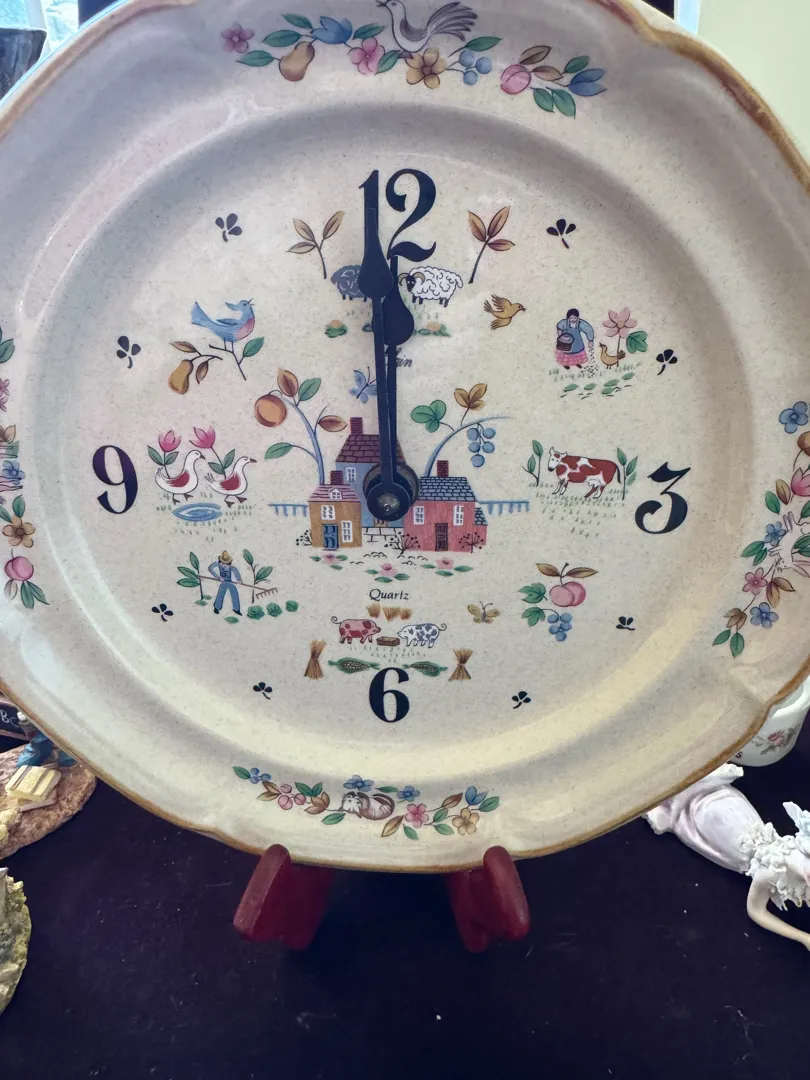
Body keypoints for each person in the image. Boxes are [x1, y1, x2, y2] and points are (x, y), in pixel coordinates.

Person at [209, 551, 242, 616]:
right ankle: (217, 607)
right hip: (223, 582)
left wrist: (239, 579)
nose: (224, 565)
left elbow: (235, 570)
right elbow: (210, 568)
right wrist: (218, 577)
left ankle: (236, 609)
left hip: (230, 582)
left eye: (226, 563)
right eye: (222, 563)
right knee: (220, 593)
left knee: (234, 592)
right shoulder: (218, 564)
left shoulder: (230, 567)